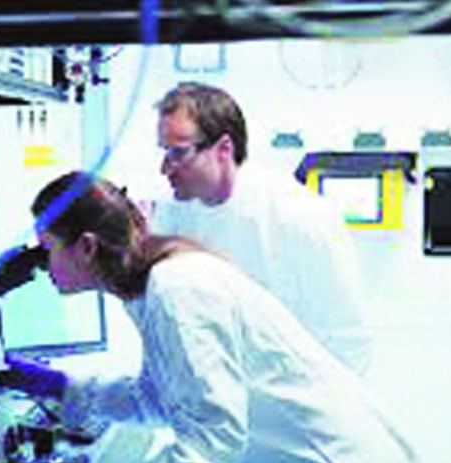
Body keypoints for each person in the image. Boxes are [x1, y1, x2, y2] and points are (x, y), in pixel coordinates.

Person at [0, 170, 451, 463]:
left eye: (46, 248)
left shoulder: (179, 291)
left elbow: (214, 431)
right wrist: (59, 385)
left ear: (86, 246)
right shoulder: (153, 288)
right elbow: (162, 397)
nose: (42, 265)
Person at [149, 82, 371, 376]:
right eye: (164, 152)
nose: (165, 168)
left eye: (178, 153)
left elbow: (348, 340)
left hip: (299, 395)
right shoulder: (171, 214)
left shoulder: (300, 215)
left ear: (224, 149)